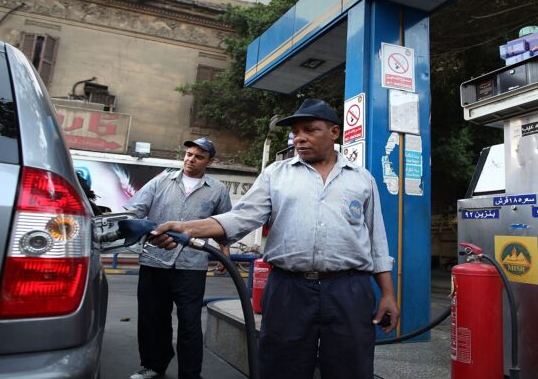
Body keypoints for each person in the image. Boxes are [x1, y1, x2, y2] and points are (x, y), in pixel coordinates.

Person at [150, 99, 399, 379]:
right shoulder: (276, 174)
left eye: (310, 130)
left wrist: (388, 294)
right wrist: (187, 228)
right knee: (281, 366)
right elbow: (241, 217)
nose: (300, 138)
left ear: (334, 132)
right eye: (296, 132)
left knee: (351, 367)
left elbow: (377, 240)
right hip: (288, 289)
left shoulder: (361, 179)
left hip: (349, 288)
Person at [126, 137, 232, 379]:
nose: (191, 160)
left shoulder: (217, 190)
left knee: (190, 323)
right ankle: (153, 365)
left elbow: (224, 223)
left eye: (199, 157)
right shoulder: (161, 182)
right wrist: (135, 228)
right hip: (154, 260)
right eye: (189, 154)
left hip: (191, 265)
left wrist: (224, 250)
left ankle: (190, 374)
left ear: (210, 161)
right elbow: (135, 210)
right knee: (153, 318)